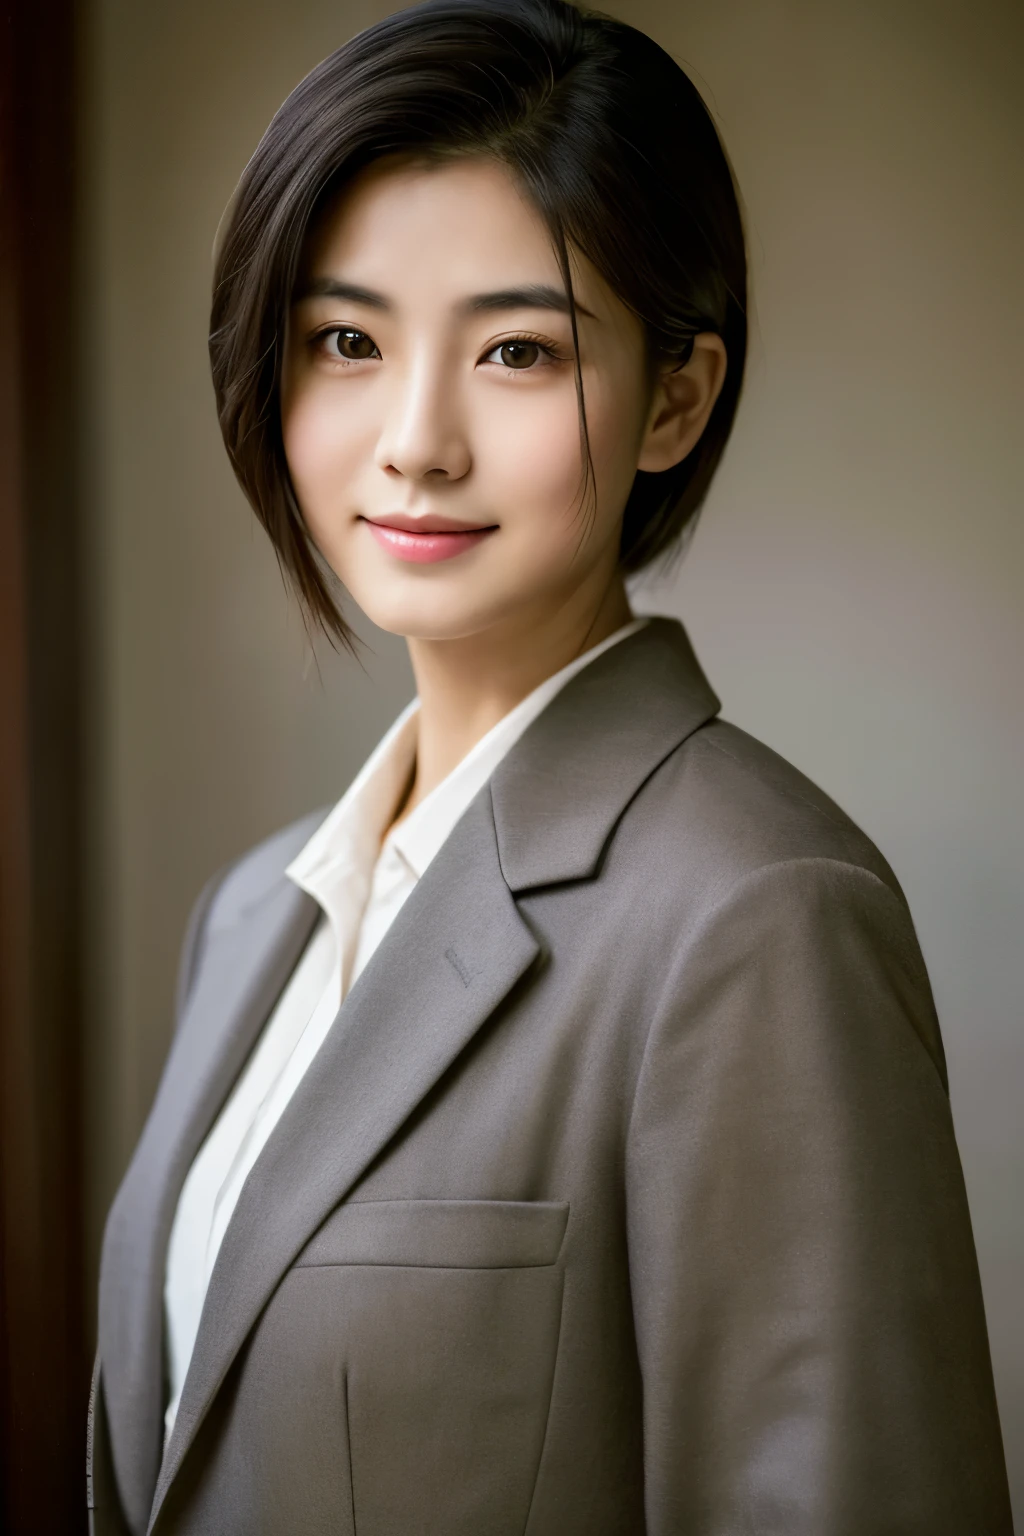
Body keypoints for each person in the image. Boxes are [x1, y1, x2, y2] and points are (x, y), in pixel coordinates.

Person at [89, 1, 1013, 1531]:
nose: (415, 439)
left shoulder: (758, 915)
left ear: (675, 398)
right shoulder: (256, 914)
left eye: (518, 350)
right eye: (347, 342)